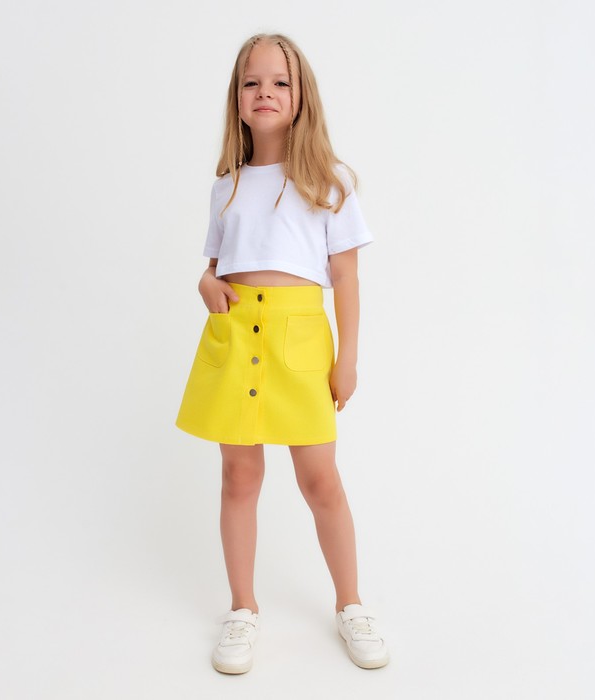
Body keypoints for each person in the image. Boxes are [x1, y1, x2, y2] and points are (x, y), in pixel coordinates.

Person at [176, 32, 389, 674]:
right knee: (239, 477)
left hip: (300, 344)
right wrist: (207, 283)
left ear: (301, 97)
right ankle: (242, 609)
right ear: (237, 99)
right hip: (237, 337)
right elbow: (216, 266)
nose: (264, 92)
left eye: (279, 82)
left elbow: (345, 278)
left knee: (320, 479)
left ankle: (351, 604)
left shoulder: (329, 181)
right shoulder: (227, 185)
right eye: (251, 82)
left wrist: (347, 359)